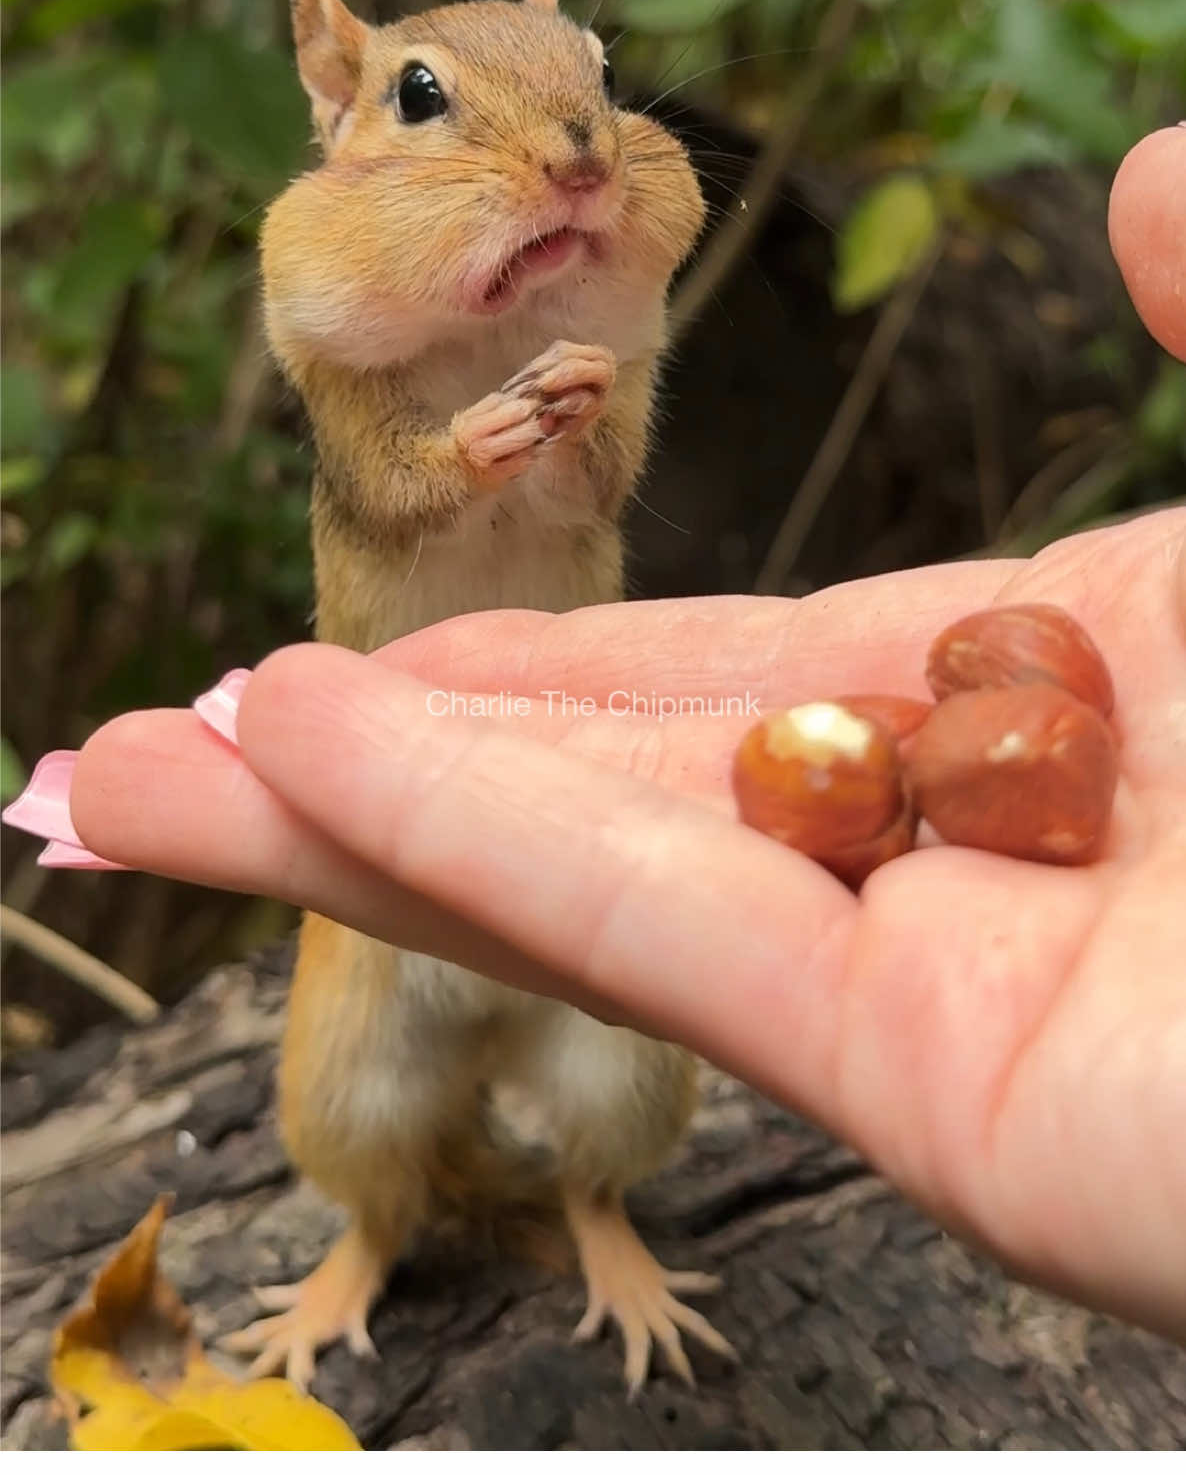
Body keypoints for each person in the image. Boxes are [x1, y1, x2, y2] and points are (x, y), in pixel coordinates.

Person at [68, 128, 1185, 1342]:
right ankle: (373, 1230)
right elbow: (383, 497)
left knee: (622, 1064)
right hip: (396, 732)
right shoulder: (355, 348)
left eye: (588, 94)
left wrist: (575, 430)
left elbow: (597, 491)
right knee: (358, 1067)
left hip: (564, 738)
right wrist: (457, 457)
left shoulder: (600, 318)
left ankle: (601, 1206)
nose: (569, 149)